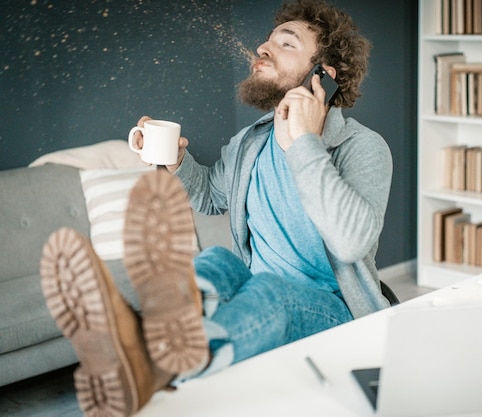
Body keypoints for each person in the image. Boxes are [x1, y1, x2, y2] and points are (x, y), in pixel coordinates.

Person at [40, 0, 392, 416]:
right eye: (268, 39)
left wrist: (304, 143)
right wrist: (174, 162)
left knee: (270, 292)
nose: (263, 46)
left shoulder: (362, 147)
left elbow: (351, 243)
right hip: (259, 288)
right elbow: (210, 195)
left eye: (285, 42)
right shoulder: (250, 141)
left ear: (323, 77)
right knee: (214, 262)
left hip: (332, 309)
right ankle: (148, 339)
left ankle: (151, 365)